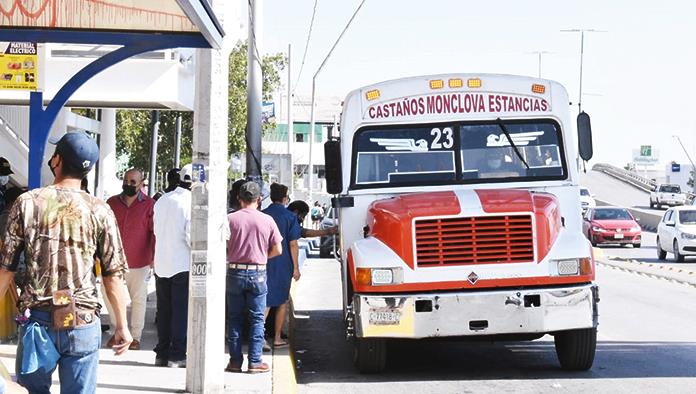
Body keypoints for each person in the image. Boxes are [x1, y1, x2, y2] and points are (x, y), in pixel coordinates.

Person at [0, 132, 132, 393]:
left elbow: (6, 269)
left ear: (57, 160)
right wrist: (122, 326)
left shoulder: (27, 203)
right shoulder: (100, 209)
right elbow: (112, 276)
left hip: (38, 322)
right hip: (83, 322)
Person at [225, 181, 282, 374]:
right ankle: (255, 362)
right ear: (258, 200)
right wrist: (261, 257)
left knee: (234, 318)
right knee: (257, 319)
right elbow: (278, 249)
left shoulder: (230, 219)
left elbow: (222, 246)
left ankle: (234, 361)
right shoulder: (267, 220)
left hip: (234, 271)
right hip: (258, 272)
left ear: (240, 199)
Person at [104, 168, 155, 351]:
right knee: (110, 296)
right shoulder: (111, 203)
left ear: (141, 184)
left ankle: (135, 337)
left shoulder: (150, 205)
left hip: (139, 260)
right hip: (113, 260)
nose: (129, 184)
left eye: (133, 182)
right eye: (126, 181)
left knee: (138, 299)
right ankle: (116, 331)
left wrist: (153, 258)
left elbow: (154, 233)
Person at [153, 165, 193, 368]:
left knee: (164, 311)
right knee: (180, 312)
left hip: (161, 263)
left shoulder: (162, 200)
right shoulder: (190, 203)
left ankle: (161, 353)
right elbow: (192, 237)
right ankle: (177, 355)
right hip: (182, 265)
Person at [262, 183, 301, 350]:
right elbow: (293, 244)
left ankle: (260, 337)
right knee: (282, 302)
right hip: (283, 262)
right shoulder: (290, 217)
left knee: (264, 301)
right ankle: (277, 338)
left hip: (264, 260)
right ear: (285, 198)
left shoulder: (263, 215)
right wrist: (296, 268)